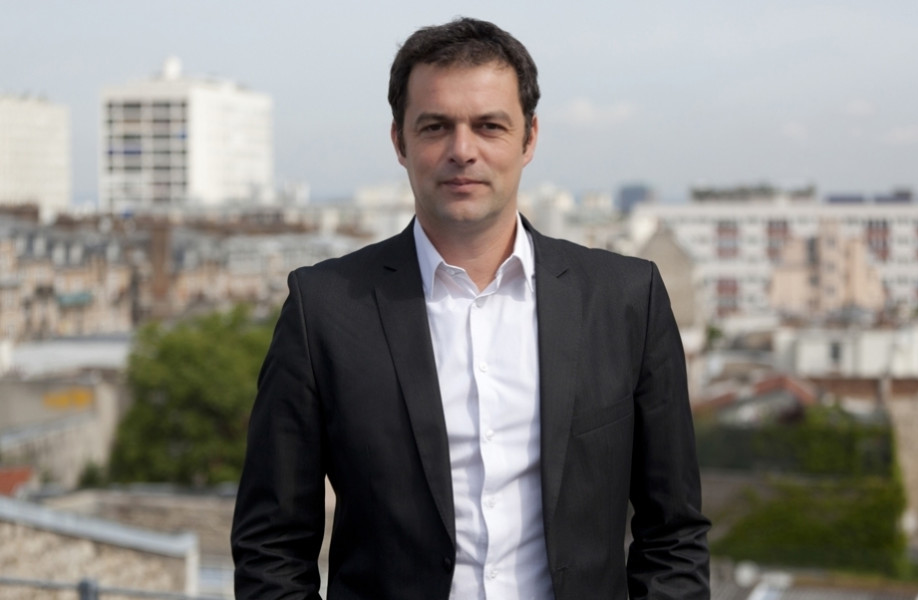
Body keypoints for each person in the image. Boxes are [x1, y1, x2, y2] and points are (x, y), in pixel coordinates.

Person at [231, 17, 710, 600]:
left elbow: (674, 534)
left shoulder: (625, 299)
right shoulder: (324, 310)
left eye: (489, 126)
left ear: (529, 138)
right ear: (400, 142)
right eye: (436, 127)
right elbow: (272, 547)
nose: (463, 151)